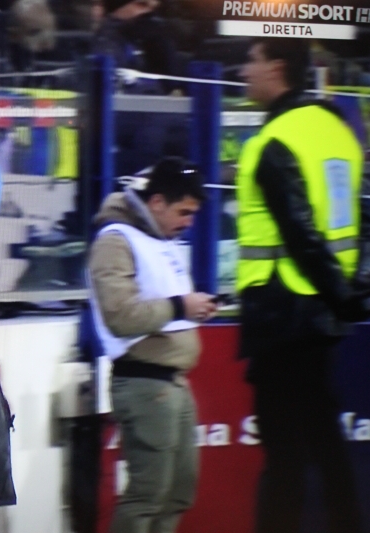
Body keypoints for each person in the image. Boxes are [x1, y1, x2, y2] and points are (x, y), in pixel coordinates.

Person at [236, 37, 369, 533]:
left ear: (277, 67)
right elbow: (362, 218)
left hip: (283, 315)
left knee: (285, 454)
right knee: (327, 443)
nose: (243, 70)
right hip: (321, 319)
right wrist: (352, 293)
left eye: (250, 60)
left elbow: (301, 235)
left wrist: (342, 296)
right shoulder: (337, 131)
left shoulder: (275, 140)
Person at [87, 157, 215, 533]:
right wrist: (180, 306)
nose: (189, 222)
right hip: (145, 384)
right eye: (184, 212)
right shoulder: (115, 241)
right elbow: (120, 315)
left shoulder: (159, 240)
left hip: (172, 383)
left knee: (177, 494)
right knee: (147, 496)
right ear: (157, 202)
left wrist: (191, 308)